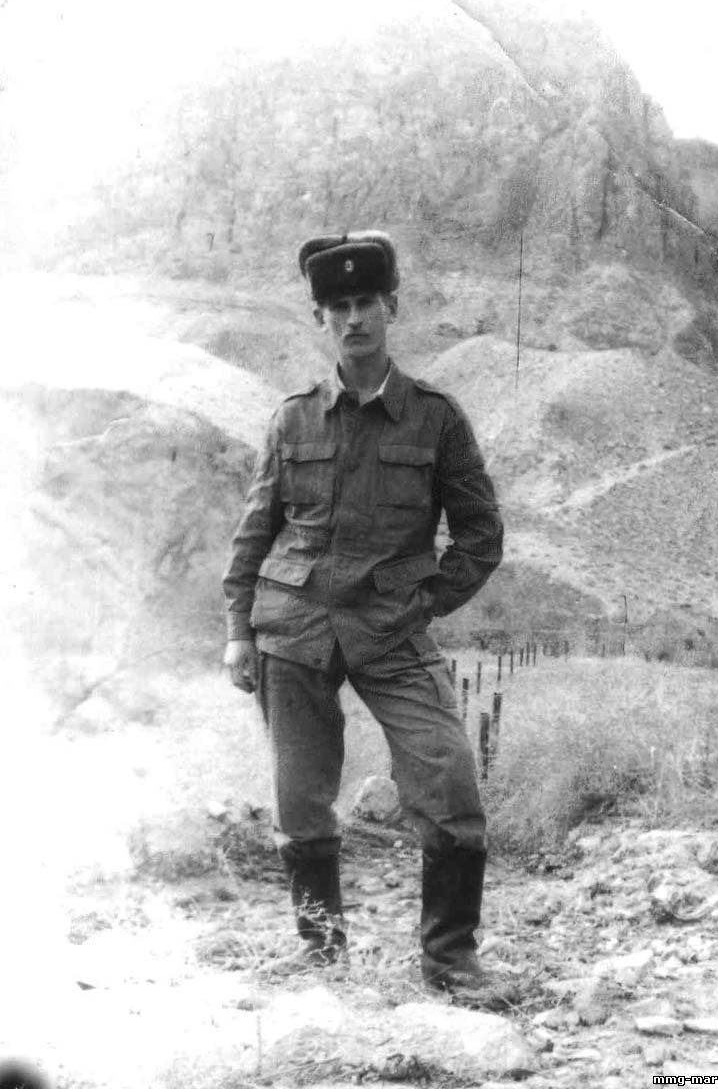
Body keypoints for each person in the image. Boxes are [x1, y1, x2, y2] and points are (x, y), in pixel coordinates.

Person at [222, 230, 508, 1001]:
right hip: (293, 627)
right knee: (300, 799)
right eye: (339, 306)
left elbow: (481, 536)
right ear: (321, 319)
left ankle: (451, 961)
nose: (354, 319)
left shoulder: (436, 419)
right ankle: (324, 961)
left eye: (366, 303)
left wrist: (423, 600)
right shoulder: (292, 420)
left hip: (391, 630)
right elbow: (255, 532)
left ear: (392, 308)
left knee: (448, 779)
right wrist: (238, 632)